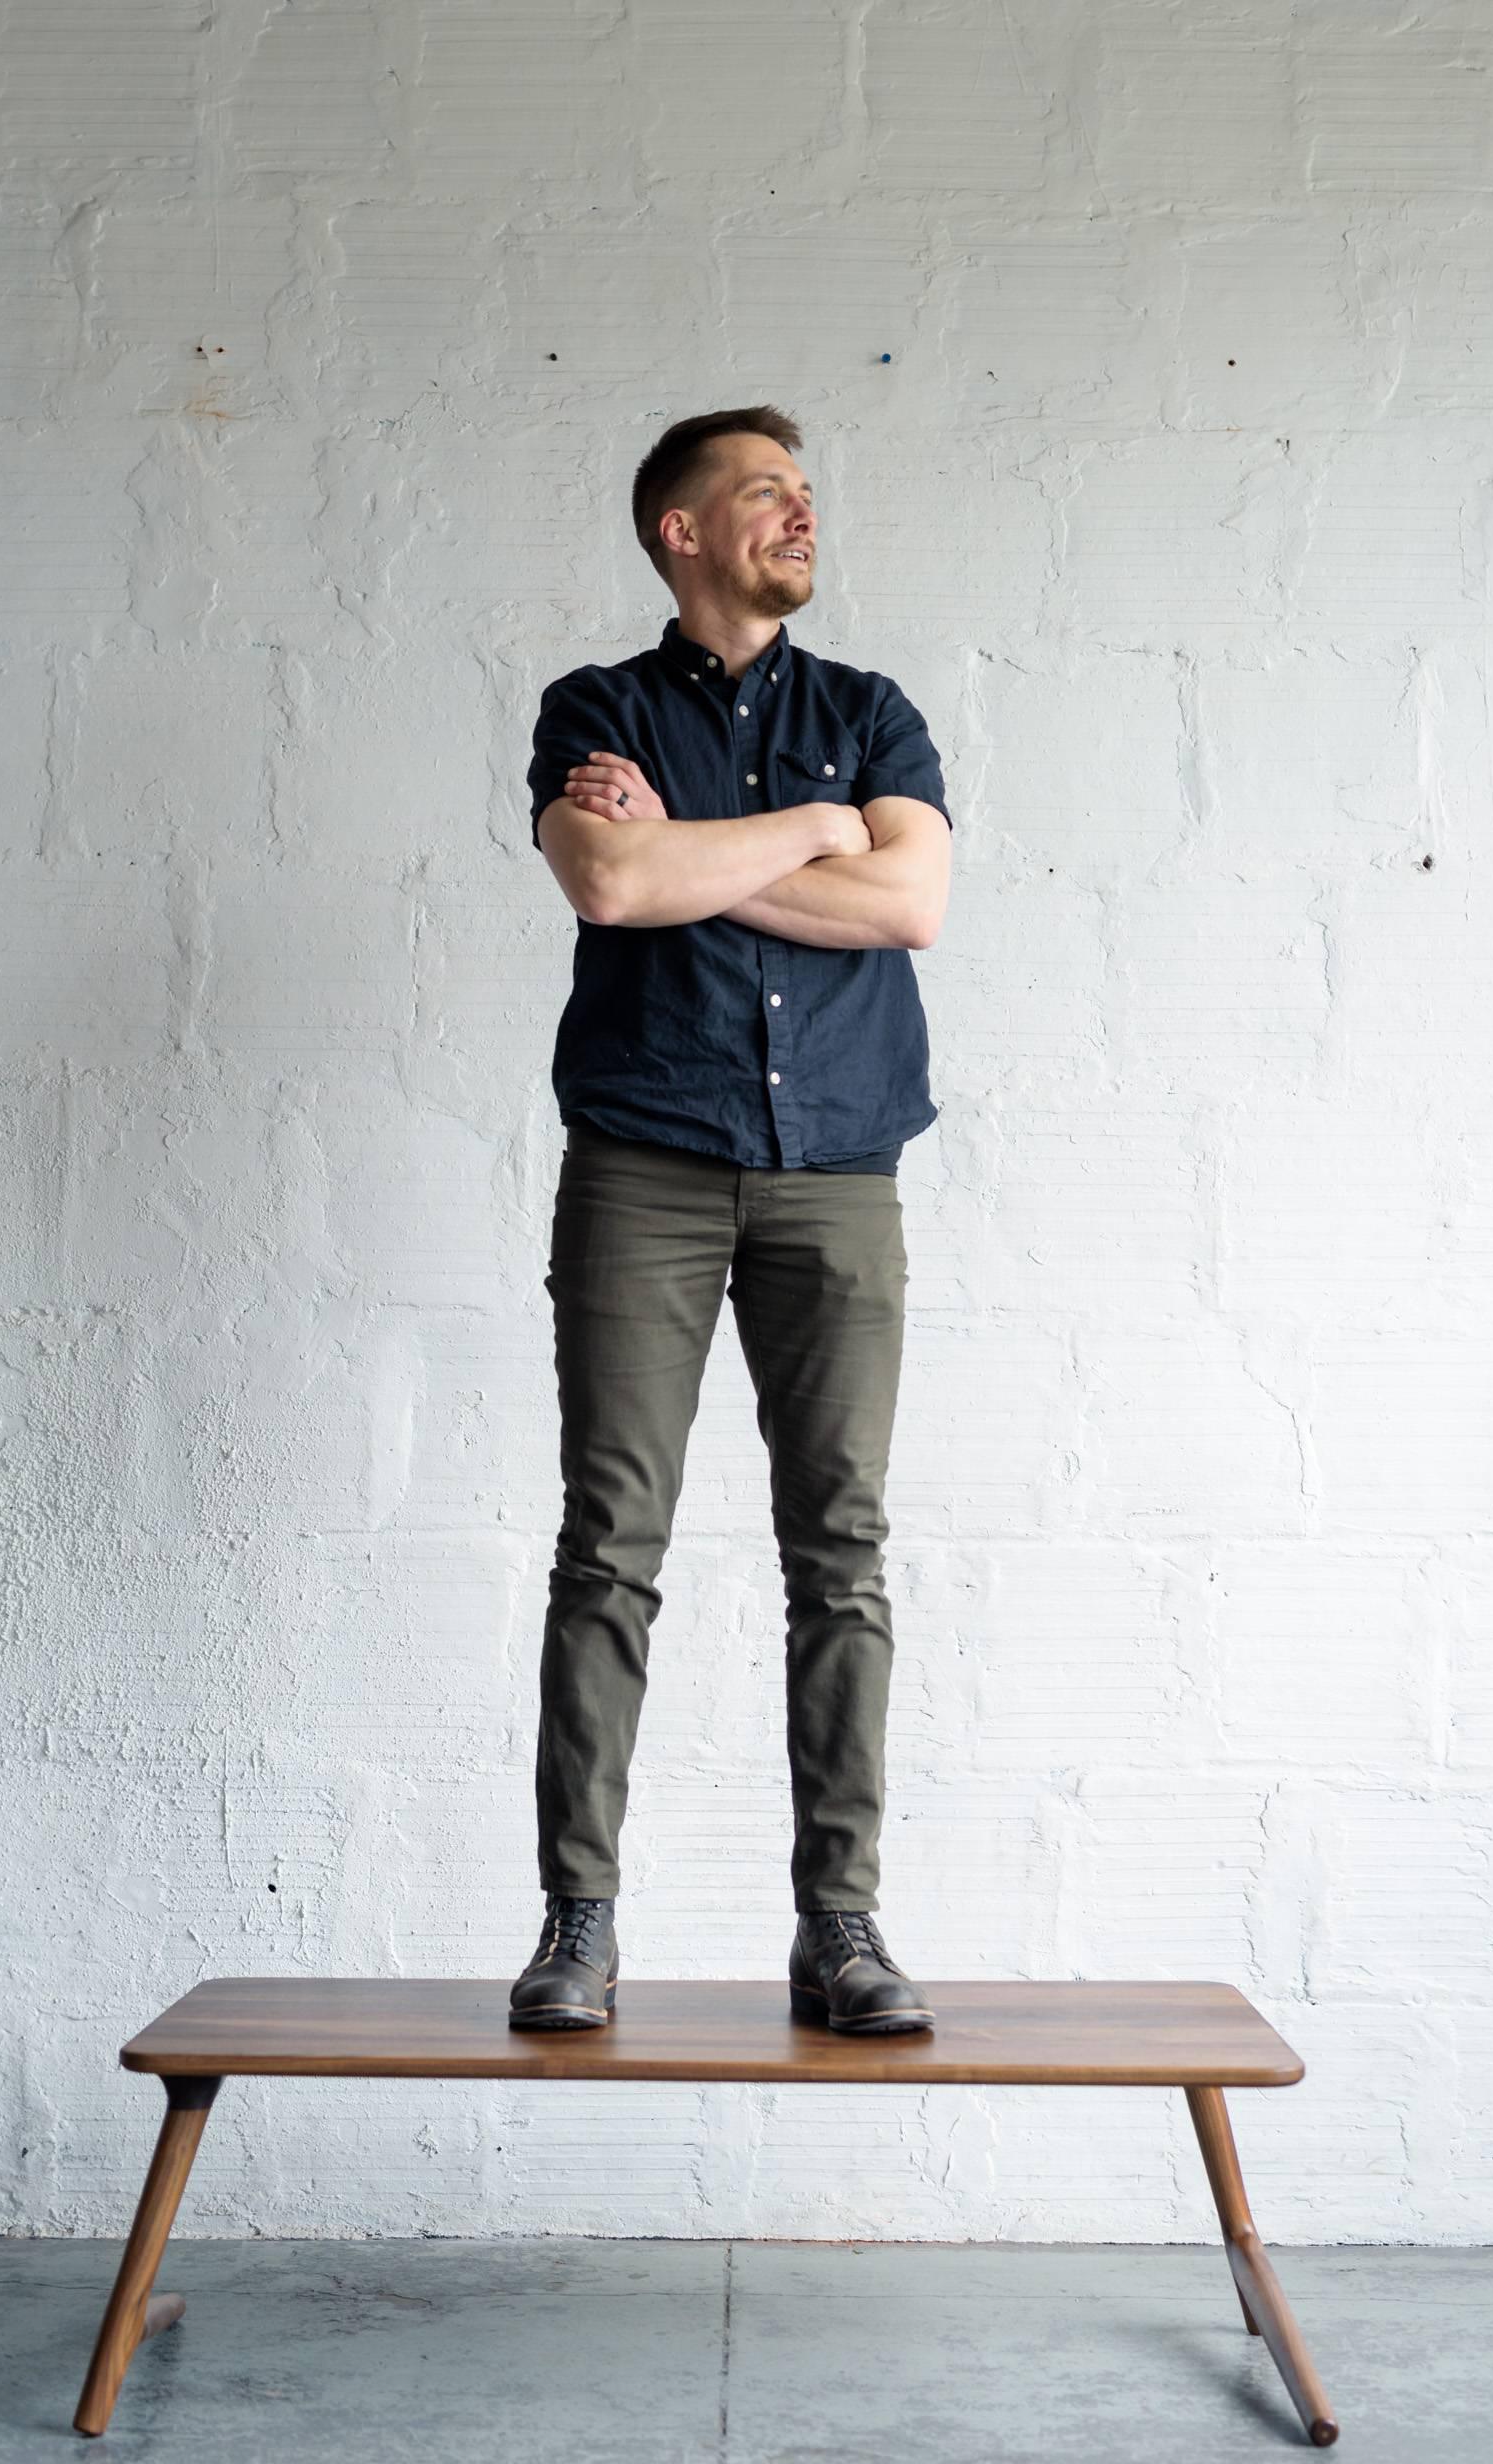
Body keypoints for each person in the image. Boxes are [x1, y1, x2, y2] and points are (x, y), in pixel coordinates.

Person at [510, 405, 954, 2036]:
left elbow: (911, 905)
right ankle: (577, 1925)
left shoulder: (870, 712)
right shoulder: (594, 709)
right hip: (646, 1159)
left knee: (839, 1555)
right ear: (678, 531)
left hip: (840, 1168)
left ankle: (839, 1928)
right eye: (765, 492)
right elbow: (609, 888)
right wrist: (809, 835)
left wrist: (698, 853)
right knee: (607, 1548)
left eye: (807, 489)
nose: (800, 511)